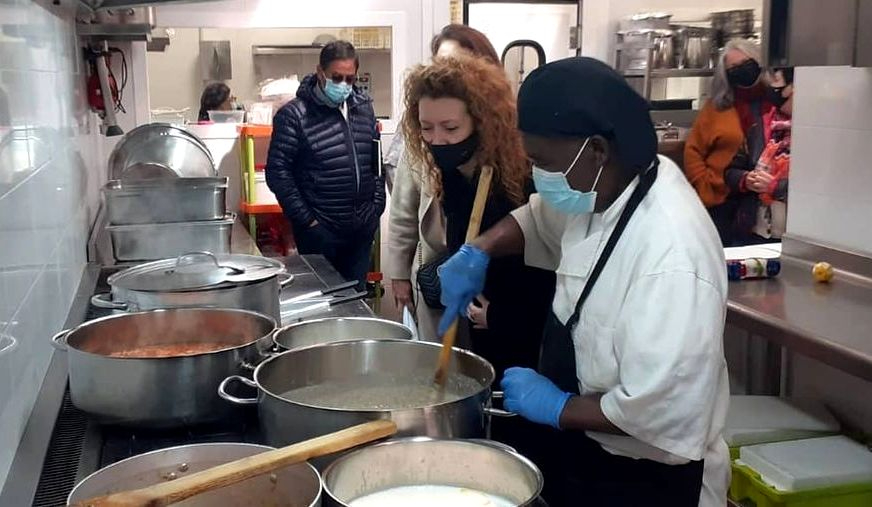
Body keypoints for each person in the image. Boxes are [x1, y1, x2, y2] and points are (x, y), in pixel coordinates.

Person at [437, 57, 730, 507]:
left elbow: (658, 411)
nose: (537, 176)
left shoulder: (671, 256)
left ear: (596, 150)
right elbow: (539, 219)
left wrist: (554, 406)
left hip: (652, 480)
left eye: (541, 161)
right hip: (591, 457)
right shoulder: (604, 189)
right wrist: (480, 249)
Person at [400, 53, 554, 378]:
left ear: (482, 120)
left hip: (526, 334)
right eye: (426, 127)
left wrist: (500, 315)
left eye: (451, 127)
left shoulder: (522, 178)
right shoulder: (453, 174)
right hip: (479, 326)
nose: (437, 140)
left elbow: (548, 275)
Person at [387, 24, 501, 342]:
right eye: (441, 64)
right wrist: (399, 275)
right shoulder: (421, 132)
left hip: (490, 277)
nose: (439, 137)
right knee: (439, 358)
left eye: (460, 65)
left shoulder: (503, 136)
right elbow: (404, 209)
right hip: (436, 268)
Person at [266, 41, 384, 290]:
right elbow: (278, 173)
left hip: (361, 231)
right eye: (337, 78)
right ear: (320, 72)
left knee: (355, 302)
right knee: (324, 308)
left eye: (350, 79)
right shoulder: (294, 116)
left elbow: (376, 160)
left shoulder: (363, 109)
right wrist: (309, 223)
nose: (343, 85)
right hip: (320, 233)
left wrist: (376, 206)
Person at [685, 39, 773, 246]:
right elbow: (693, 150)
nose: (741, 70)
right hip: (722, 200)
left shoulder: (775, 103)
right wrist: (705, 184)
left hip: (763, 203)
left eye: (746, 63)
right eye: (733, 68)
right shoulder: (717, 107)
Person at [724, 67, 793, 245]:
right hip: (753, 231)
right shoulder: (760, 122)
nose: (772, 88)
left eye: (777, 81)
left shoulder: (820, 132)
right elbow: (730, 170)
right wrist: (746, 179)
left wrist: (775, 186)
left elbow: (821, 188)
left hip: (796, 236)